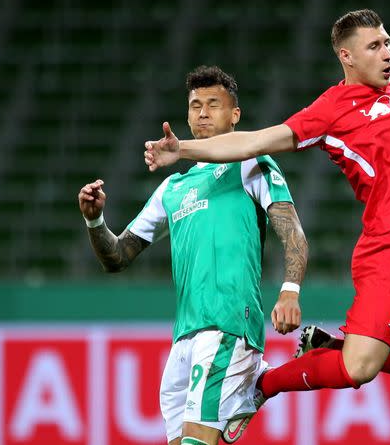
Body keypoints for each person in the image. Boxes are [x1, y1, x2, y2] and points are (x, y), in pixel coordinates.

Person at [144, 8, 390, 440]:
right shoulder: (331, 110)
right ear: (347, 56)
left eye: (388, 42)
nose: (387, 52)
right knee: (358, 369)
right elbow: (257, 140)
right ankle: (262, 386)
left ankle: (333, 346)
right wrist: (183, 150)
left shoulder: (388, 94)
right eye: (375, 46)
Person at [79, 65, 309, 445]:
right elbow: (117, 256)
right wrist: (94, 220)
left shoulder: (250, 163)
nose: (202, 113)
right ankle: (255, 387)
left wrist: (290, 290)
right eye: (195, 105)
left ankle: (254, 383)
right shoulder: (173, 188)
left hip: (228, 324)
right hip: (183, 337)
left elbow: (294, 233)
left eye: (214, 104)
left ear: (235, 115)